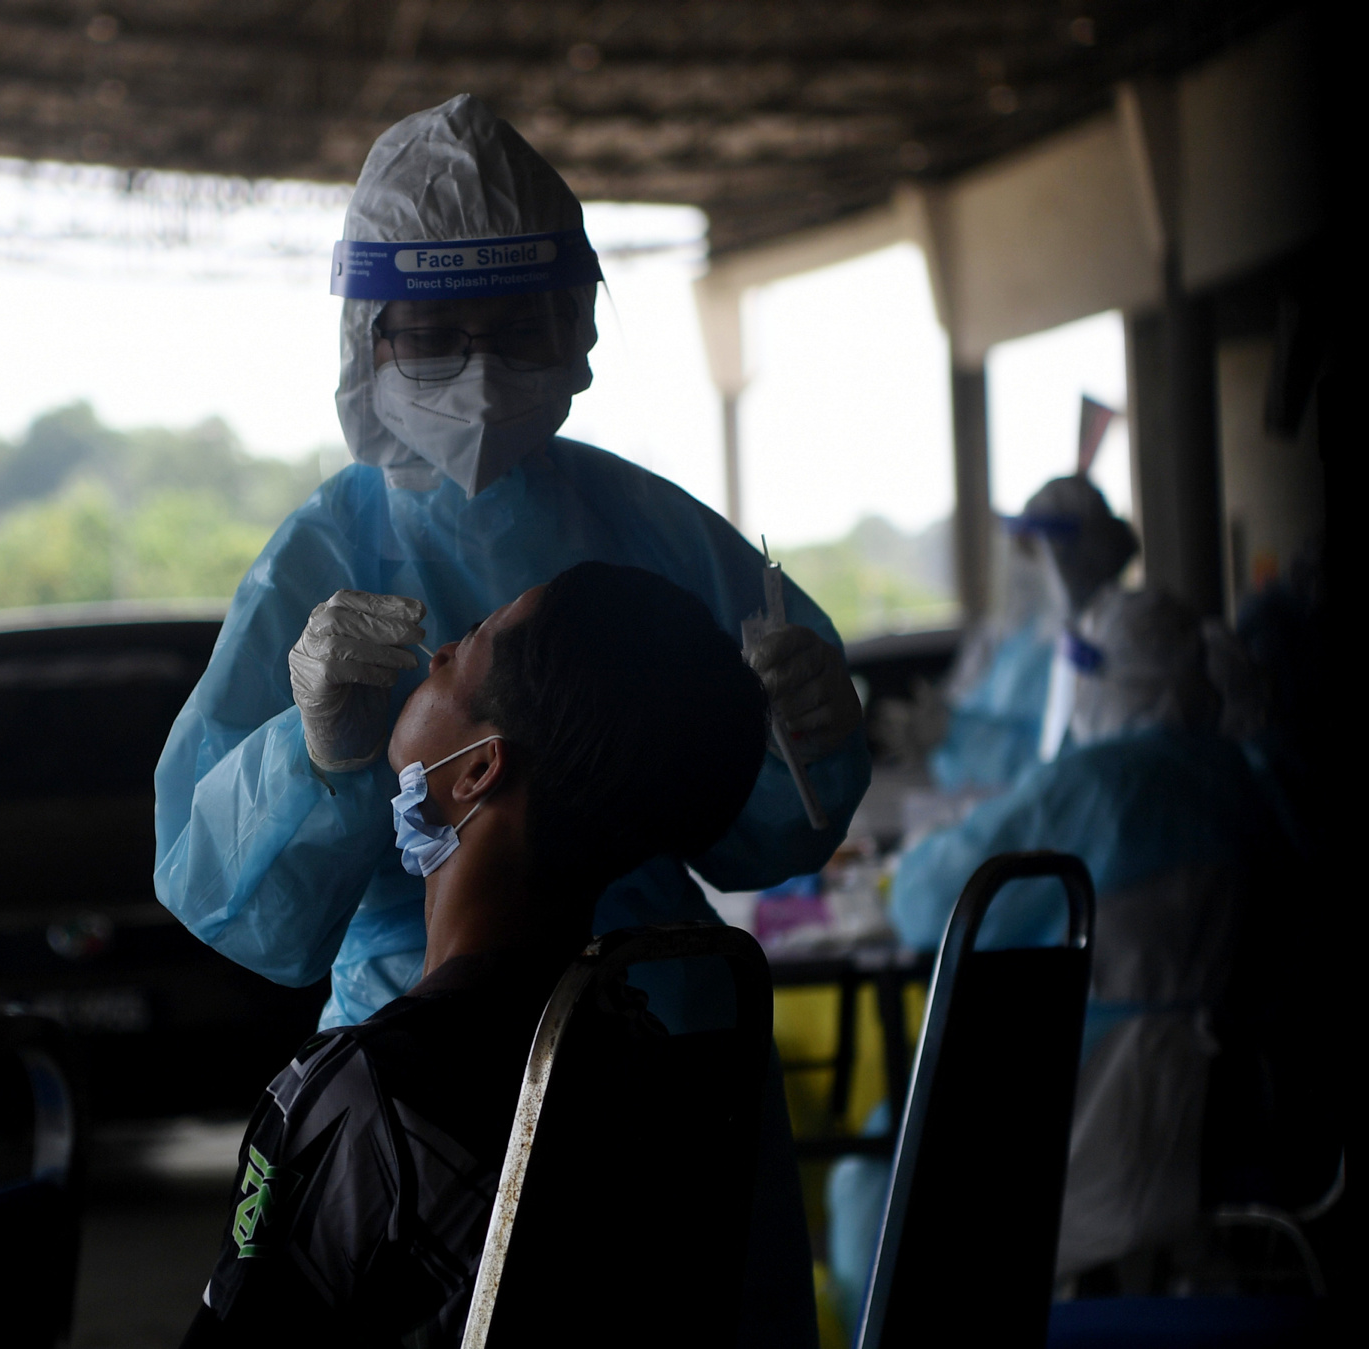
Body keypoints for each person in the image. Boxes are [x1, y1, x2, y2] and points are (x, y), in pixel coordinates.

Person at [155, 95, 861, 1344]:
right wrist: (307, 757)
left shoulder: (654, 532)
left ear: (575, 323)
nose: (477, 369)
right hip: (510, 1052)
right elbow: (229, 894)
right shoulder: (323, 552)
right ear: (368, 338)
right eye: (435, 334)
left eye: (511, 328)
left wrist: (803, 741)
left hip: (580, 1055)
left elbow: (758, 822)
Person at [182, 562, 771, 1346]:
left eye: (463, 650)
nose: (435, 656)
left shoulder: (362, 1100)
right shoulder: (649, 1058)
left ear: (480, 768)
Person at [827, 588, 1285, 1319]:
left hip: (1060, 1109)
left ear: (1099, 678)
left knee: (865, 1183)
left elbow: (927, 901)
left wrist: (911, 860)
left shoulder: (1093, 787)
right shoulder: (1238, 780)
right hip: (1211, 1115)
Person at [929, 474, 1137, 793]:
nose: (1022, 563)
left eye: (1032, 549)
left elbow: (1054, 762)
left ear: (1068, 556)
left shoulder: (1102, 650)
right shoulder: (1016, 642)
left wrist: (956, 734)